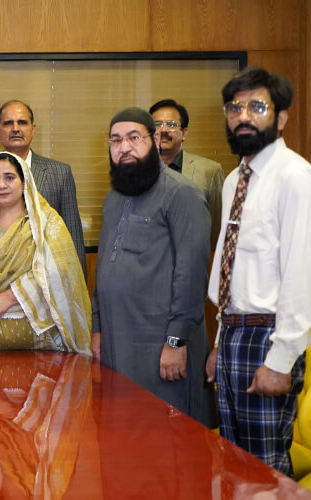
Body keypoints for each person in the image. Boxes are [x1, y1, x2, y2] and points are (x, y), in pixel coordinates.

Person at [206, 68, 311, 476]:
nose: (243, 116)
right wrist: (219, 343)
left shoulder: (297, 179)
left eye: (257, 106)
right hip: (232, 335)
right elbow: (233, 272)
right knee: (233, 465)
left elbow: (302, 276)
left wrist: (280, 360)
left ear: (280, 118)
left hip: (268, 337)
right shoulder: (233, 181)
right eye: (234, 107)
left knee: (264, 470)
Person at [91, 107, 212, 426]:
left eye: (134, 137)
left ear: (155, 139)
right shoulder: (114, 197)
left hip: (161, 345)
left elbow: (192, 275)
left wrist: (176, 342)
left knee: (167, 444)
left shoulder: (182, 194)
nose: (124, 147)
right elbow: (103, 269)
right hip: (118, 342)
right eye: (116, 140)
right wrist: (98, 328)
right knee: (125, 440)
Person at [0, 151, 91, 353]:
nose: (1, 185)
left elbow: (59, 271)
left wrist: (11, 296)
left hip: (39, 340)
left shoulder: (45, 222)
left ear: (24, 182)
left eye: (9, 177)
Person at [0, 100, 87, 276]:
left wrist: (76, 288)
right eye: (8, 123)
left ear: (32, 129)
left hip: (45, 284)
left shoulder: (60, 173)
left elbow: (73, 239)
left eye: (22, 122)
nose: (15, 128)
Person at [150, 99, 225, 249]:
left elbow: (217, 228)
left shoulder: (209, 170)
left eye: (171, 124)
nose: (163, 130)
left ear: (184, 133)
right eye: (157, 125)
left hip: (193, 261)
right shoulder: (136, 172)